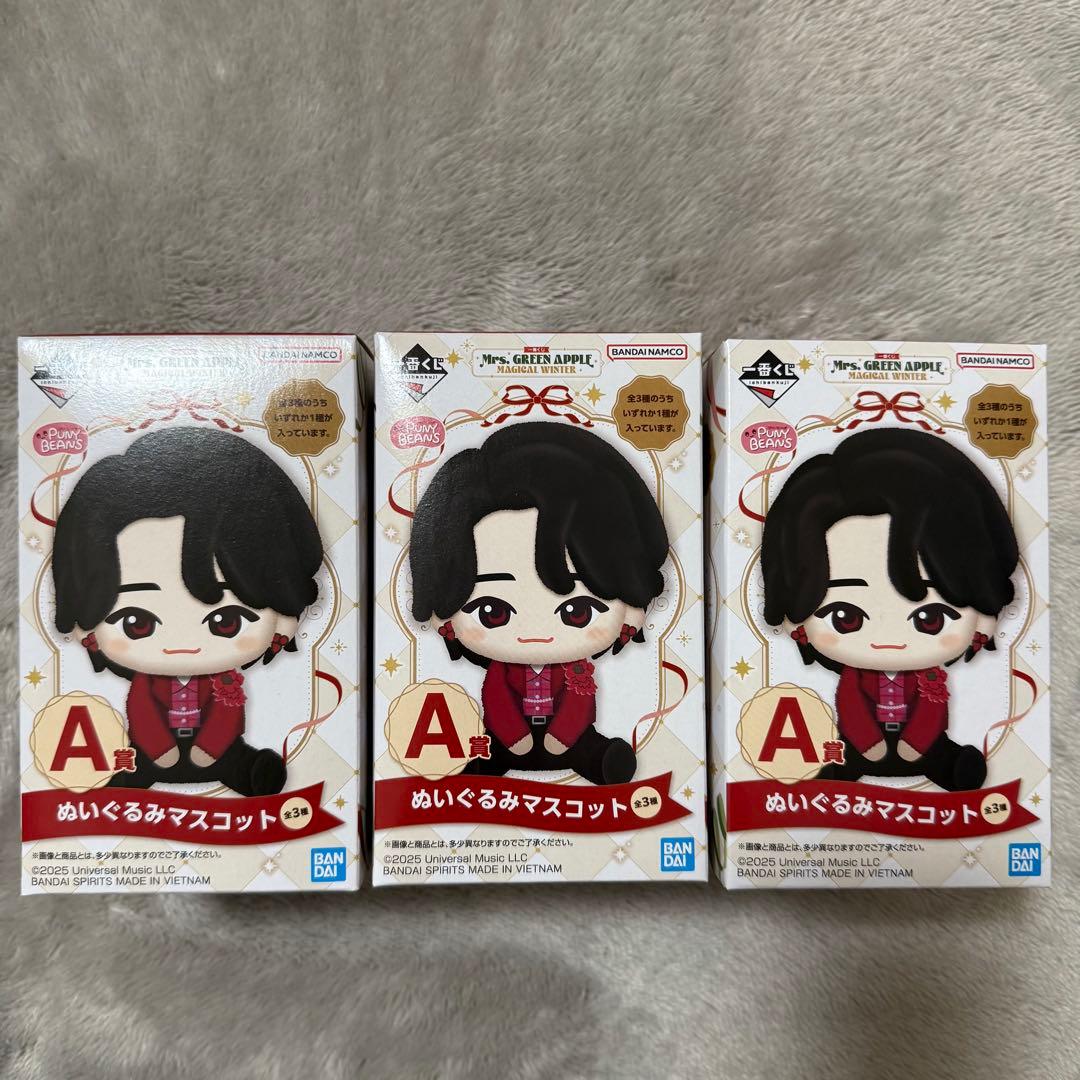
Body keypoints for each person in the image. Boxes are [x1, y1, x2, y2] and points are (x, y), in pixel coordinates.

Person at [52, 426, 323, 796]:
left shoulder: (226, 683)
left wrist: (209, 749)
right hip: (154, 752)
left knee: (238, 761)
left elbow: (227, 716)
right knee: (133, 765)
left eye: (226, 622)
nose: (182, 644)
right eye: (137, 623)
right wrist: (160, 750)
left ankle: (250, 773)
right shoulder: (148, 684)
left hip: (217, 752)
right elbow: (142, 712)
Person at [409, 421, 669, 785]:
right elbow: (496, 698)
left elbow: (579, 703)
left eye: (577, 612)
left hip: (569, 739)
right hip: (509, 737)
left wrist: (562, 736)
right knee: (489, 751)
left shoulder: (577, 671)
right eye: (493, 612)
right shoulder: (502, 671)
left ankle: (602, 762)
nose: (535, 633)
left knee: (588, 748)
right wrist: (513, 735)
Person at [760, 428, 1019, 791]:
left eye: (930, 619)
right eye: (845, 618)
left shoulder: (930, 678)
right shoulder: (856, 678)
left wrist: (916, 743)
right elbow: (851, 705)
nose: (889, 640)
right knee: (843, 758)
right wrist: (869, 743)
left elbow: (932, 710)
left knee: (942, 756)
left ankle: (952, 768)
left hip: (923, 745)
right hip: (863, 743)